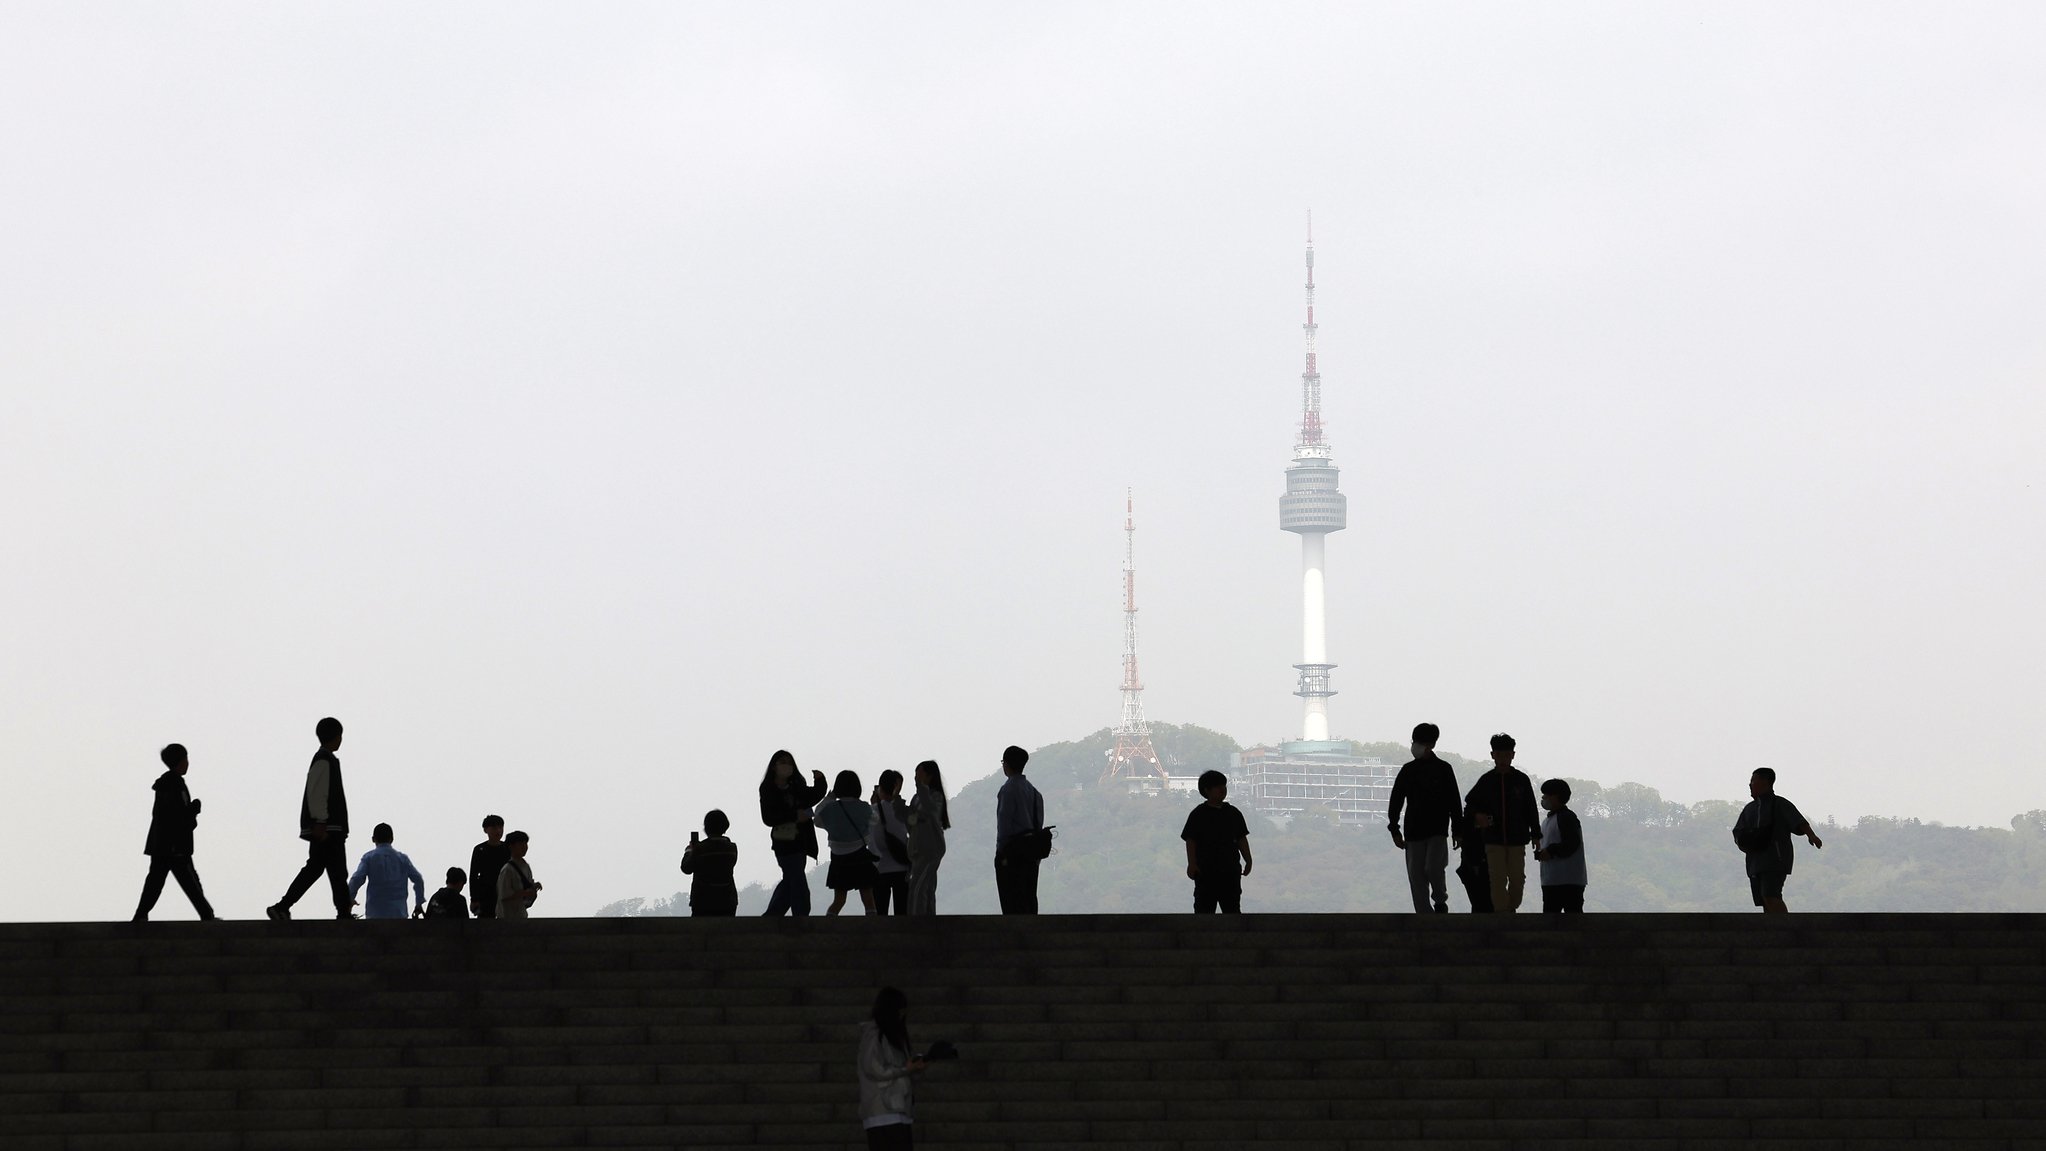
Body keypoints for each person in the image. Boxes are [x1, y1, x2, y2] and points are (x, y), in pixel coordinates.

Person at [268, 717, 353, 921]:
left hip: (325, 827)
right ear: (336, 736)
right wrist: (321, 821)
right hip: (327, 828)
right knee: (337, 871)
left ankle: (283, 906)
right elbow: (317, 793)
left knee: (316, 869)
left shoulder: (324, 759)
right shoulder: (325, 760)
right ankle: (343, 912)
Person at [1385, 722, 1464, 914]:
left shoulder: (1444, 769)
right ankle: (1423, 914)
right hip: (1413, 832)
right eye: (1415, 742)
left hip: (1437, 830)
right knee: (1416, 875)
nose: (1415, 746)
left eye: (1420, 742)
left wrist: (1457, 830)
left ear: (1432, 744)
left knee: (1434, 869)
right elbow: (1396, 800)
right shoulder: (1408, 770)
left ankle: (1439, 901)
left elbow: (1454, 801)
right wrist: (1394, 829)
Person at [132, 743, 215, 922]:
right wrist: (193, 810)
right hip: (175, 846)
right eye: (185, 759)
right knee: (190, 882)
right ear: (180, 761)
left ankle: (140, 915)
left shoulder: (164, 785)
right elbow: (177, 816)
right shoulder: (175, 785)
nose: (188, 763)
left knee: (155, 882)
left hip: (161, 844)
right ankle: (207, 916)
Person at [1463, 732, 1540, 913]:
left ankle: (1508, 910)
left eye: (1507, 755)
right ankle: (1503, 915)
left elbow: (1531, 808)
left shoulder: (1521, 780)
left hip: (1517, 840)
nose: (1503, 759)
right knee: (1497, 880)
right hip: (1493, 839)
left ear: (1513, 755)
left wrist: (1536, 834)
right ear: (1492, 755)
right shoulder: (1486, 780)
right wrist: (1477, 816)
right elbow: (1470, 804)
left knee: (1517, 880)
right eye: (1499, 755)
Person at [1732, 767, 1823, 913]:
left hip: (1776, 858)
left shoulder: (1779, 804)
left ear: (1765, 782)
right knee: (1763, 898)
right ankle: (1773, 930)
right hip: (1755, 862)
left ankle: (1785, 929)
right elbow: (1738, 831)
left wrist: (1811, 835)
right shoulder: (1750, 809)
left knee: (1770, 894)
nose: (1750, 785)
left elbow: (1799, 822)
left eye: (1753, 781)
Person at [758, 751, 828, 917]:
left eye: (789, 762)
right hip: (783, 841)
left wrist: (820, 781)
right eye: (782, 762)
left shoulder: (797, 784)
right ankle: (801, 915)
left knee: (791, 878)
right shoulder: (767, 788)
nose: (786, 765)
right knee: (796, 878)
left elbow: (812, 796)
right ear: (774, 766)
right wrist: (794, 816)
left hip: (800, 839)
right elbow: (768, 818)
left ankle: (772, 915)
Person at [857, 986, 926, 1149]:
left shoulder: (892, 1035)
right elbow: (874, 1068)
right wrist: (905, 1069)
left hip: (897, 1108)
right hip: (883, 1110)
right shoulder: (875, 1036)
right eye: (900, 1010)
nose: (903, 1015)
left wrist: (913, 1067)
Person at [1181, 770, 1253, 914]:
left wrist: (1248, 860)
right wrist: (1192, 864)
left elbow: (1241, 839)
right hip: (1205, 871)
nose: (1222, 789)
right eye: (1217, 786)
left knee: (1232, 909)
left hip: (1230, 870)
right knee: (1204, 910)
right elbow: (1191, 841)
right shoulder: (1198, 814)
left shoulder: (1233, 813)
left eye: (1223, 785)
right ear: (1207, 790)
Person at [815, 771, 877, 916]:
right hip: (860, 857)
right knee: (868, 898)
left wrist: (829, 798)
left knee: (839, 900)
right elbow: (875, 822)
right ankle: (873, 929)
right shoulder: (864, 807)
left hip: (838, 859)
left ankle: (828, 928)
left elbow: (817, 817)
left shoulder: (830, 809)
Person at [993, 745, 1045, 915]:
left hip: (1012, 851)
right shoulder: (1035, 792)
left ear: (1006, 764)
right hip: (1031, 852)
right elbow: (1039, 824)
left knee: (1011, 899)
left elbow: (1004, 824)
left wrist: (1000, 852)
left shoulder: (1007, 790)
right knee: (1029, 897)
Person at [347, 823, 427, 920]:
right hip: (399, 914)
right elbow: (418, 879)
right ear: (392, 839)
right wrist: (419, 903)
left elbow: (357, 879)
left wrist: (349, 899)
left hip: (375, 914)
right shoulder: (402, 859)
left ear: (373, 839)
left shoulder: (369, 857)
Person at [1533, 779, 1586, 913]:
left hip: (1568, 880)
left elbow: (1572, 843)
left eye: (1546, 795)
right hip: (1552, 880)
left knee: (1569, 922)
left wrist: (1551, 851)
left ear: (1556, 796)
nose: (1543, 798)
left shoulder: (1566, 817)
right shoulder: (1547, 820)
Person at [905, 760, 949, 916]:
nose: (916, 777)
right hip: (918, 848)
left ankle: (917, 921)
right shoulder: (916, 798)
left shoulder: (935, 797)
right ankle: (928, 918)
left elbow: (931, 812)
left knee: (918, 886)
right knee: (928, 886)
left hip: (931, 847)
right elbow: (909, 820)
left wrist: (917, 816)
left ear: (929, 776)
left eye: (920, 773)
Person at [680, 809, 740, 917]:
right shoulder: (732, 848)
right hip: (727, 901)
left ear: (706, 828)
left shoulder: (700, 849)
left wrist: (689, 851)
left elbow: (686, 868)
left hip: (702, 901)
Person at [868, 770, 912, 915]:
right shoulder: (902, 811)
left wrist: (875, 805)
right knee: (902, 914)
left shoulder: (871, 812)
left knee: (880, 914)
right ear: (896, 788)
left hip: (878, 868)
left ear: (879, 787)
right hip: (902, 867)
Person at [469, 816, 510, 920]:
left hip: (505, 890)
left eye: (500, 827)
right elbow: (473, 875)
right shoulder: (480, 849)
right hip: (486, 893)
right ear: (485, 830)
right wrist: (474, 898)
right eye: (494, 828)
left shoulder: (508, 848)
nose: (498, 831)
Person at [496, 830, 541, 919]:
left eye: (525, 844)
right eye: (521, 844)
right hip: (506, 916)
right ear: (511, 846)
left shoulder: (526, 867)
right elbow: (504, 894)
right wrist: (525, 893)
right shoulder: (507, 870)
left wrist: (532, 889)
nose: (524, 847)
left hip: (521, 914)